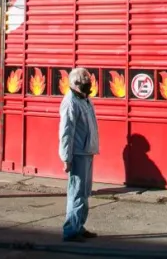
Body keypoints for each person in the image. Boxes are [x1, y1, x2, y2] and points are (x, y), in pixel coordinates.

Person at [59, 67, 100, 242]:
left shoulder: (85, 100)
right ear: (75, 82)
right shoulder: (71, 102)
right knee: (76, 192)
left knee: (84, 192)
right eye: (85, 78)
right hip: (77, 153)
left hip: (87, 151)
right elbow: (66, 132)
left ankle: (79, 225)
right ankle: (70, 230)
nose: (88, 80)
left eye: (88, 77)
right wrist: (66, 158)